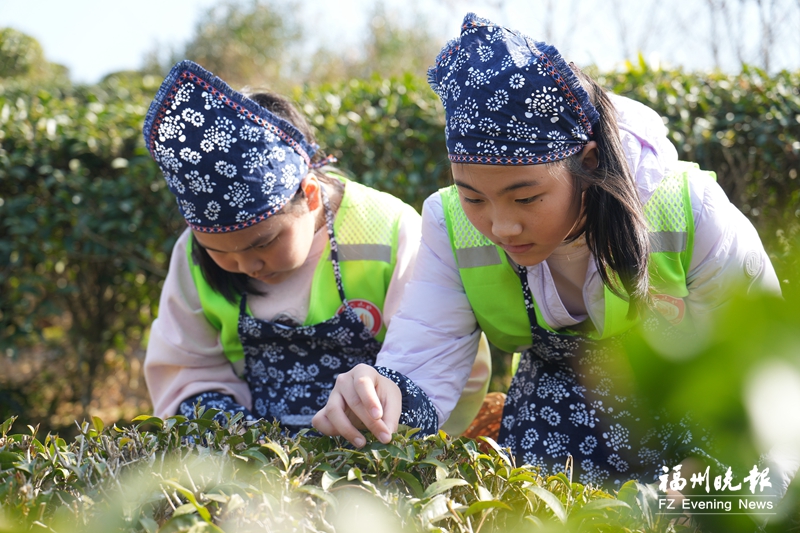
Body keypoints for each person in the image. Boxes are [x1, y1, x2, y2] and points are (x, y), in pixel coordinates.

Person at [312, 13, 781, 486]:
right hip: (544, 441)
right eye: (473, 196)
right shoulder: (448, 223)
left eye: (526, 197)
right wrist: (378, 395)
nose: (501, 225)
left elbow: (764, 373)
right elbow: (422, 359)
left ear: (589, 161)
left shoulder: (688, 209)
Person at [142, 60, 438, 432]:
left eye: (262, 242)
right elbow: (185, 370)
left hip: (373, 447)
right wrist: (245, 445)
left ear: (311, 194)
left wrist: (382, 413)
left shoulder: (388, 227)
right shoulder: (192, 253)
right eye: (220, 252)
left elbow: (433, 358)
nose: (247, 265)